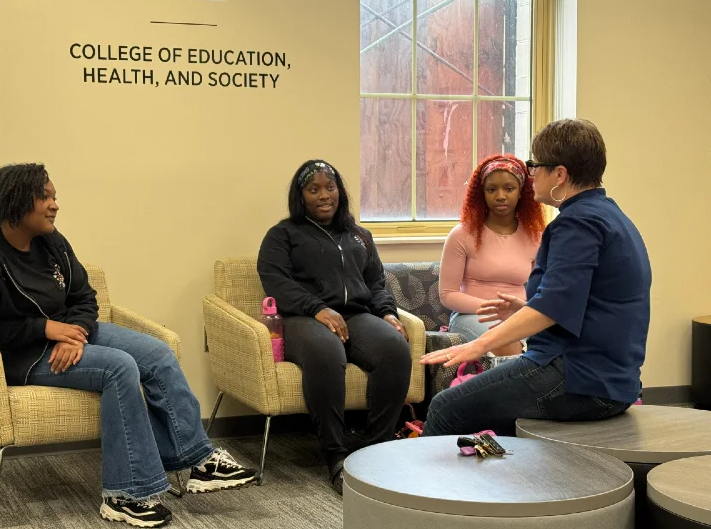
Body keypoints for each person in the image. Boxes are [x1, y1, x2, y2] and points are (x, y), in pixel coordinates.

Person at [0, 163, 256, 528]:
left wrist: (73, 330)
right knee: (118, 366)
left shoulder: (52, 242)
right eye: (45, 197)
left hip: (68, 334)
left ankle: (198, 460)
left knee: (157, 352)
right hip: (20, 356)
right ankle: (125, 495)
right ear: (16, 202)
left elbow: (84, 296)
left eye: (54, 196)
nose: (55, 205)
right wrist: (45, 329)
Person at [422, 119, 651, 437]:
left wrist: (478, 345)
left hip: (579, 377)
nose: (530, 175)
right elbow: (585, 304)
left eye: (535, 165)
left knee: (444, 409)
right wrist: (523, 310)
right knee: (493, 418)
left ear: (559, 174)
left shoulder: (576, 225)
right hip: (616, 381)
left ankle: (421, 487)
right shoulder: (610, 216)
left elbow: (552, 308)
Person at [257, 159, 411, 495]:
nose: (324, 195)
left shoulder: (359, 235)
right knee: (325, 352)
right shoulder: (283, 235)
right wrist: (317, 308)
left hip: (356, 315)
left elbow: (376, 282)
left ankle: (376, 450)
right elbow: (275, 281)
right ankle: (336, 456)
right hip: (302, 318)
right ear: (301, 197)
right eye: (314, 189)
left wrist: (387, 312)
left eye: (330, 187)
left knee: (395, 348)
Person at [439, 154, 545, 356]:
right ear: (482, 194)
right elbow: (447, 295)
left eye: (509, 188)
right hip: (473, 317)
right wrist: (497, 310)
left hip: (519, 316)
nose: (500, 196)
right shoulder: (462, 234)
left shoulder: (535, 236)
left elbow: (538, 290)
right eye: (491, 189)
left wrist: (520, 314)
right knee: (506, 342)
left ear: (521, 192)